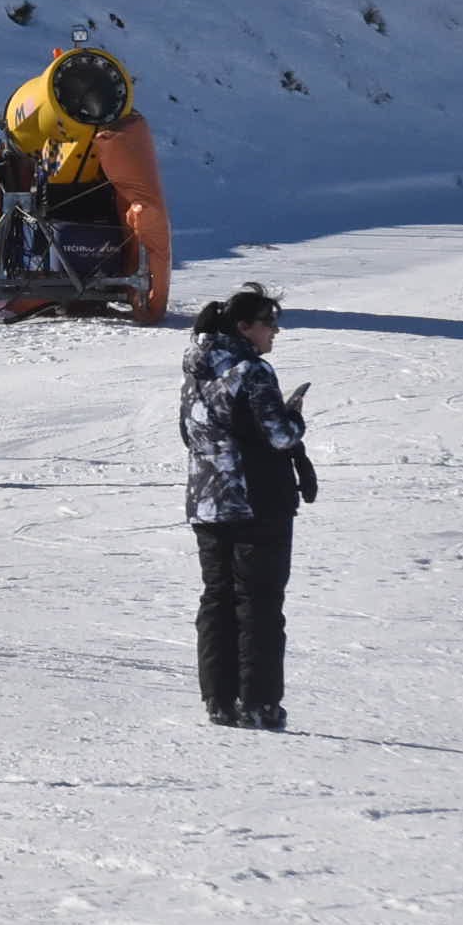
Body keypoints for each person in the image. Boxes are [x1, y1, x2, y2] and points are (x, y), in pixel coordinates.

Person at [181, 283, 316, 730]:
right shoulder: (252, 372)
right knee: (258, 601)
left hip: (208, 503)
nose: (275, 333)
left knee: (218, 598)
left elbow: (192, 435)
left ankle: (219, 701)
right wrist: (294, 412)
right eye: (268, 323)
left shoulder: (195, 373)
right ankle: (259, 703)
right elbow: (279, 435)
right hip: (258, 503)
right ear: (244, 327)